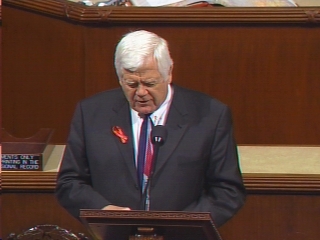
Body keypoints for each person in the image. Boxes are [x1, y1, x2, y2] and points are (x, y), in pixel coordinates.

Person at [56, 30, 246, 238]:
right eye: (131, 84)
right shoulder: (91, 113)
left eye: (150, 83)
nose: (141, 93)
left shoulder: (210, 115)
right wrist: (102, 211)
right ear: (119, 77)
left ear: (169, 73)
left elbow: (228, 191)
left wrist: (183, 226)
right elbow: (70, 182)